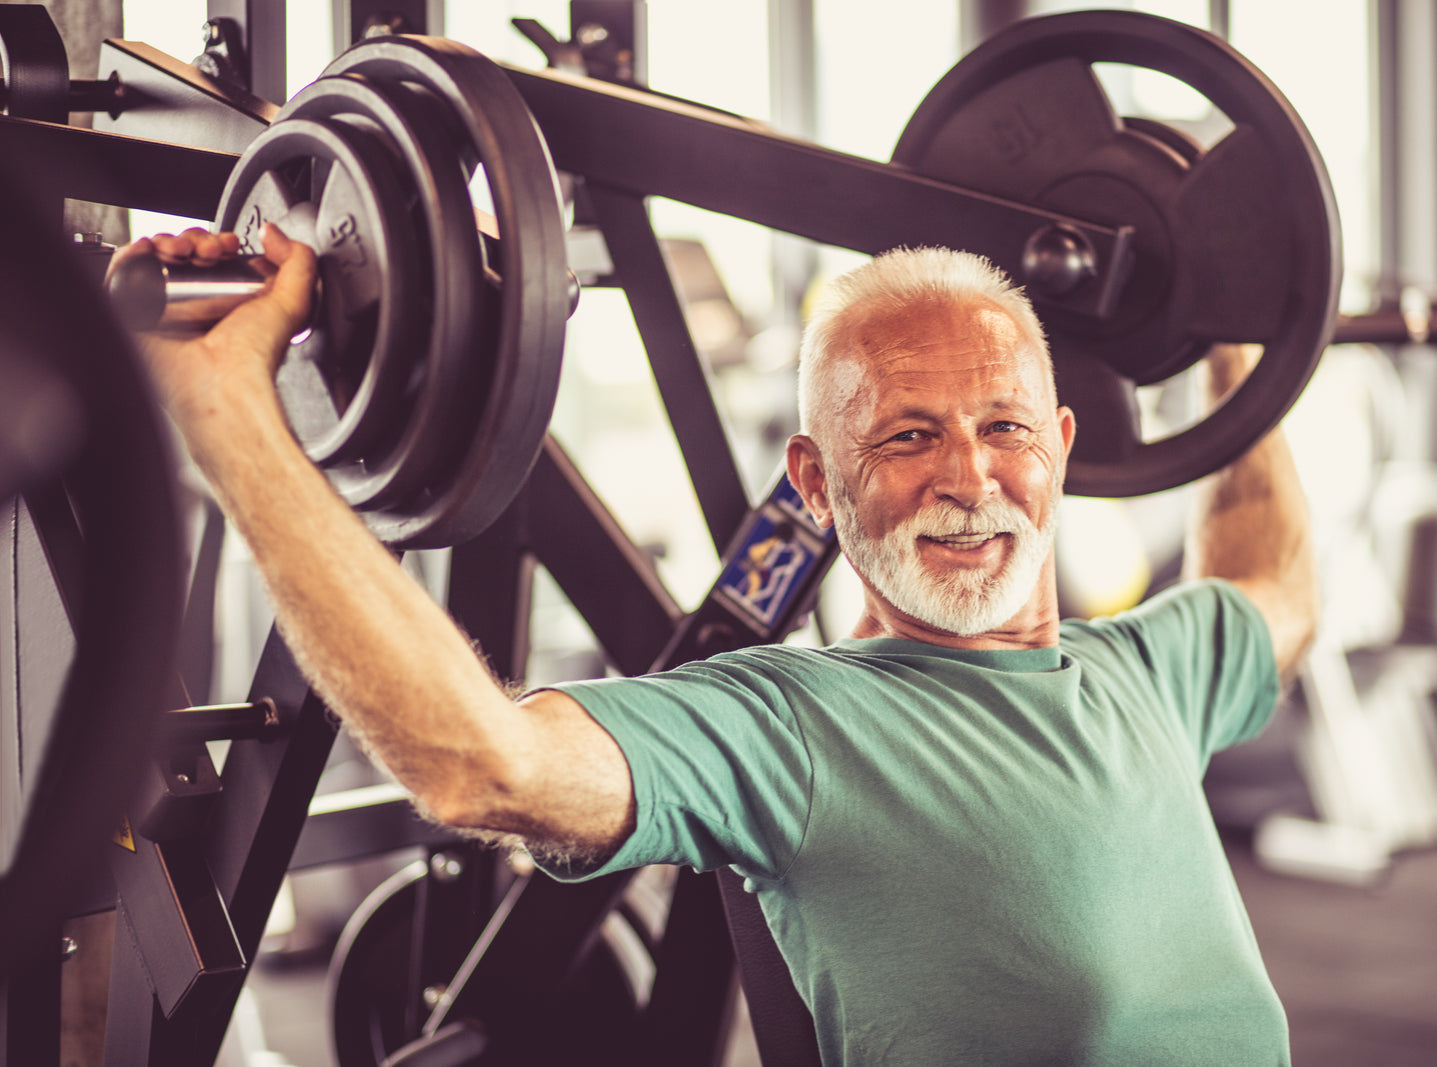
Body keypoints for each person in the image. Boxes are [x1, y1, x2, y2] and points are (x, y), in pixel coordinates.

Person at [123, 226, 1316, 1065]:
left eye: (1002, 425)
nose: (968, 475)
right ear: (817, 477)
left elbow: (1275, 581)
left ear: (1056, 443)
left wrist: (1235, 338)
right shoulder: (787, 723)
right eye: (906, 435)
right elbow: (482, 765)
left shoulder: (1149, 669)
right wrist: (228, 415)